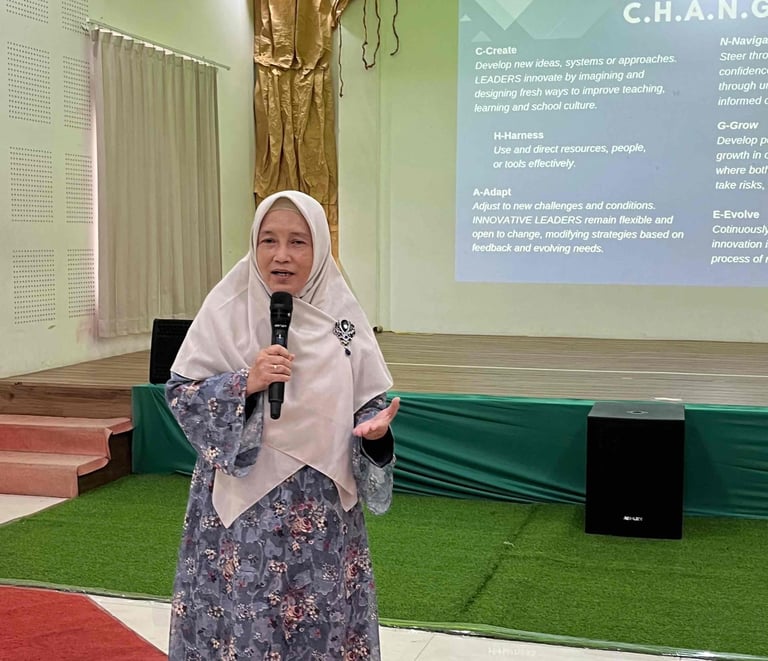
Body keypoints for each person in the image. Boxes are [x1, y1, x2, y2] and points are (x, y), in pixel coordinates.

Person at [165, 190, 400, 660]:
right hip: (242, 510)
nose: (282, 255)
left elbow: (367, 405)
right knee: (243, 620)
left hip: (320, 509)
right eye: (269, 240)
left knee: (322, 621)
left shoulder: (343, 318)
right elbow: (181, 393)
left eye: (298, 242)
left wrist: (374, 434)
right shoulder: (226, 308)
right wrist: (245, 383)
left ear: (320, 249)